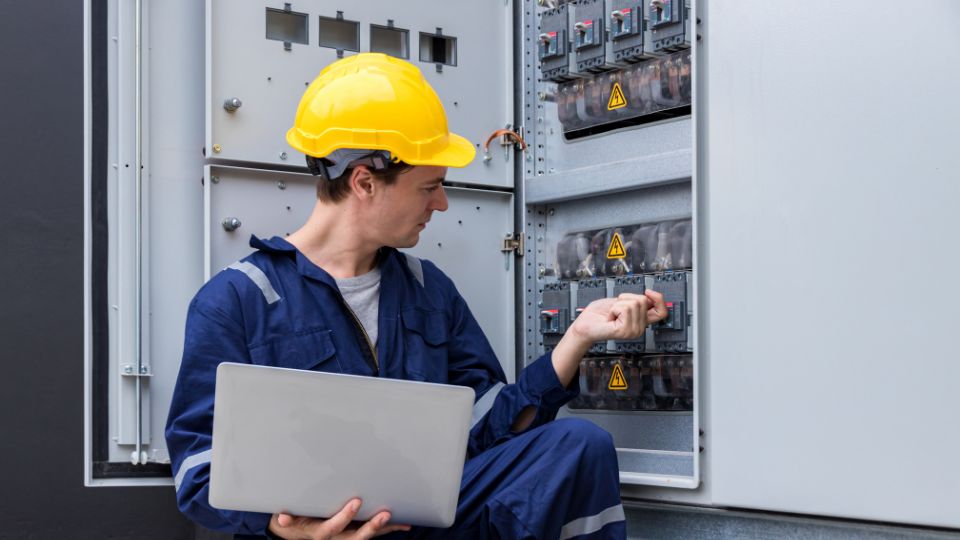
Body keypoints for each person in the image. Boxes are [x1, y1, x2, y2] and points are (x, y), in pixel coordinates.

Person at [165, 53, 667, 540]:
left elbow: (486, 426)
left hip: (423, 521)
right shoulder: (237, 300)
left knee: (578, 445)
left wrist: (576, 338)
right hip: (313, 538)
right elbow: (198, 467)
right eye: (430, 186)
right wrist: (282, 524)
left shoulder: (429, 291)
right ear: (364, 181)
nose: (442, 203)